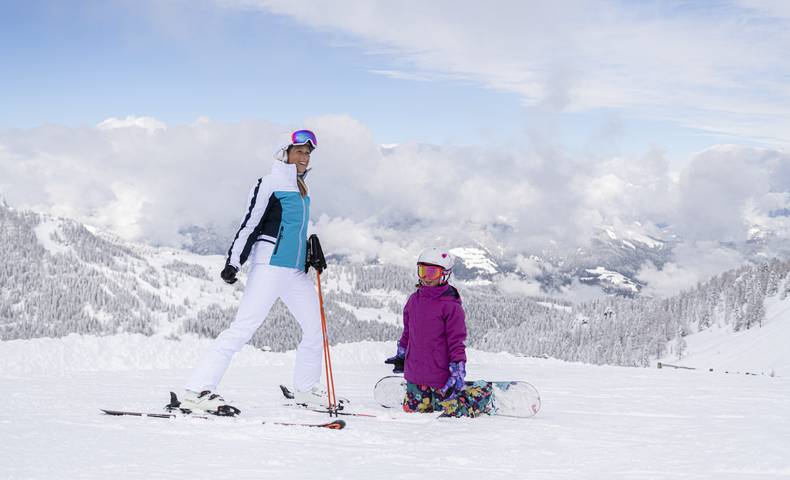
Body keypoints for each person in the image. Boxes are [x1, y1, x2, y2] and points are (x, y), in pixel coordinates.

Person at [182, 129, 327, 414]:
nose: (304, 156)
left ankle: (306, 390)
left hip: (295, 272)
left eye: (308, 153)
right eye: (298, 151)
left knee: (315, 329)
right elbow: (251, 223)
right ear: (283, 153)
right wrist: (234, 261)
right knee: (242, 328)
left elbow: (293, 230)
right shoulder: (270, 183)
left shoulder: (302, 189)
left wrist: (310, 252)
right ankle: (196, 392)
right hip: (270, 267)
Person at [384, 247, 494, 417]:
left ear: (444, 274)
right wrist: (402, 353)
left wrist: (458, 365)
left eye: (432, 273)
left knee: (453, 411)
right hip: (415, 374)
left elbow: (456, 341)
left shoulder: (450, 306)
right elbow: (408, 331)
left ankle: (482, 394)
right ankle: (419, 393)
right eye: (422, 271)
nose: (426, 278)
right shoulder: (414, 300)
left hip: (439, 376)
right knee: (414, 411)